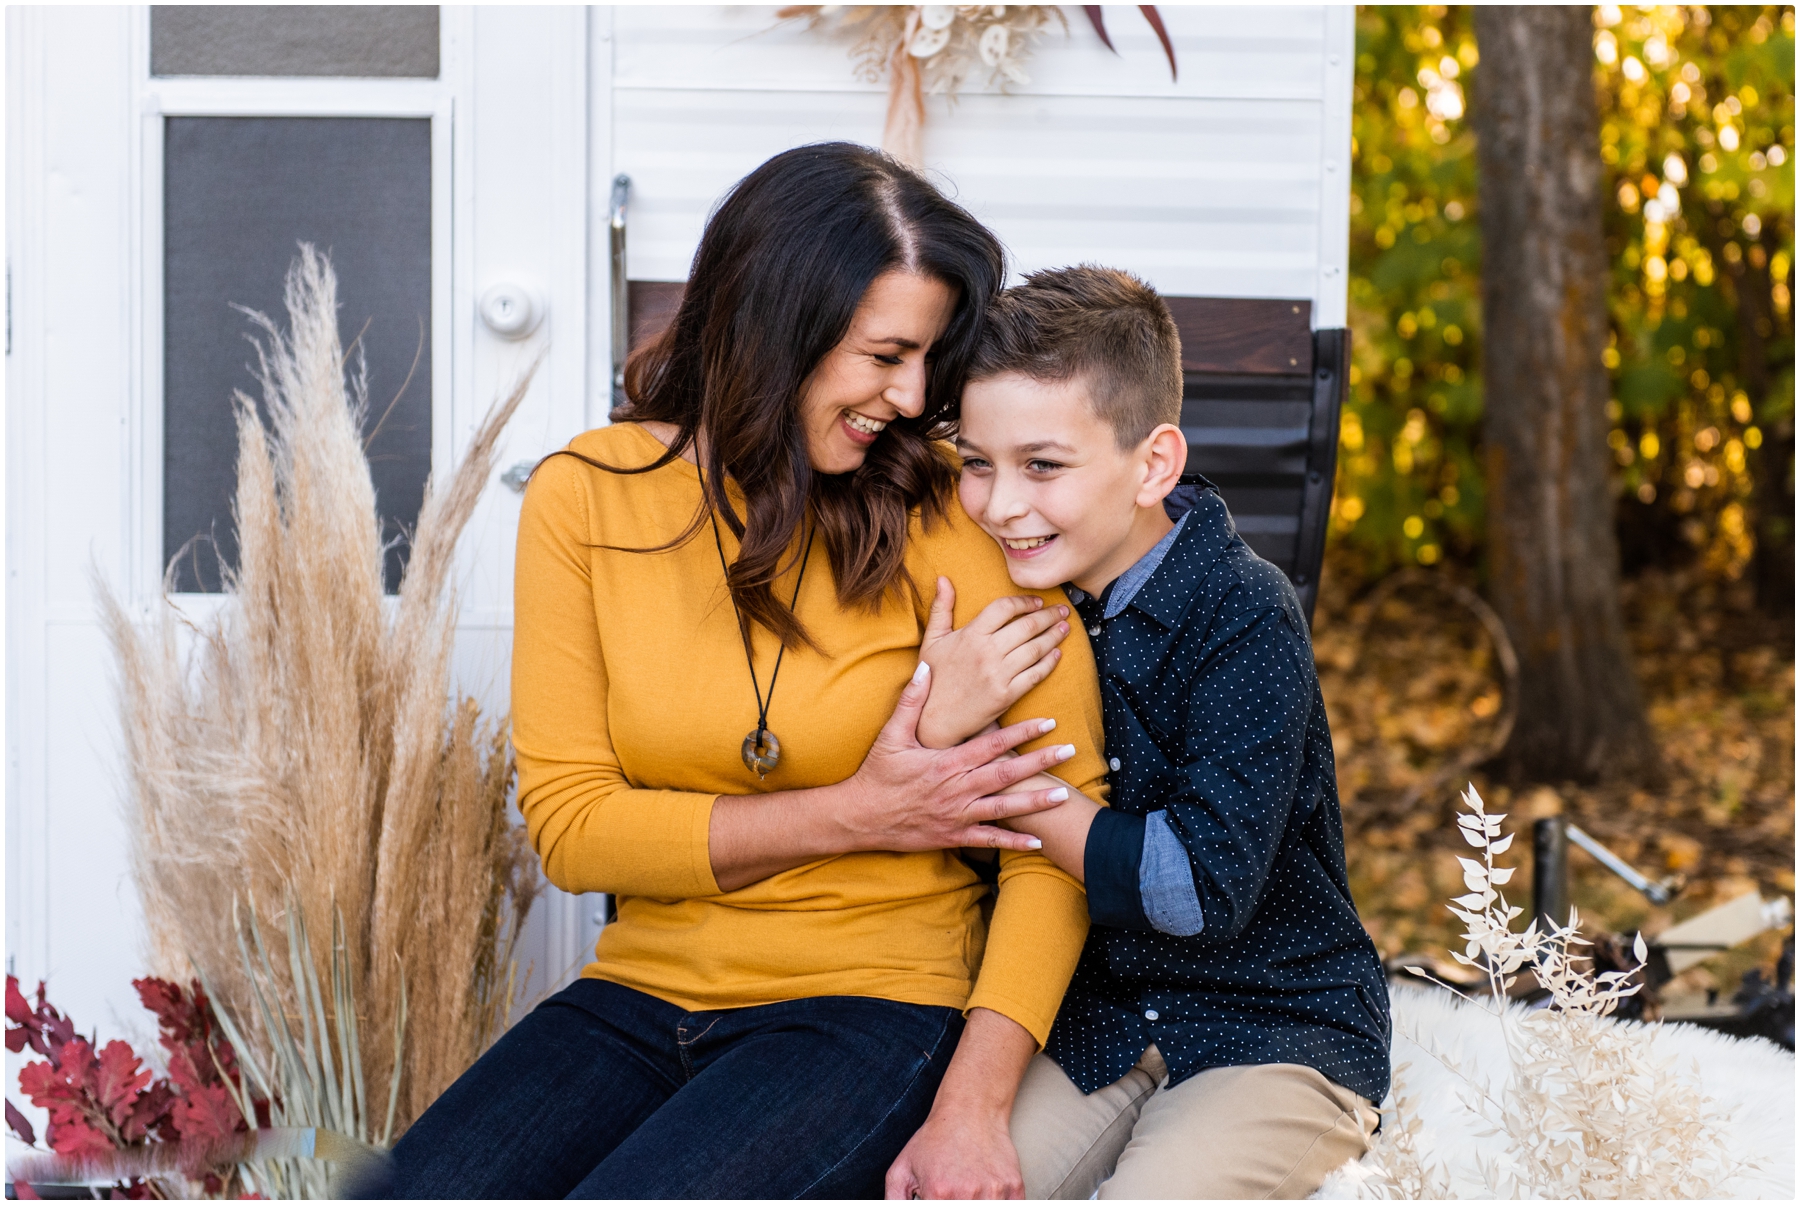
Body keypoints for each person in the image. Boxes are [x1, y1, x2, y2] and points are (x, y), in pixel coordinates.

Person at [380, 144, 1112, 1199]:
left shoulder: (959, 507)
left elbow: (1055, 840)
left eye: (927, 359)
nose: (911, 397)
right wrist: (859, 808)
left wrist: (971, 1106)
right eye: (884, 354)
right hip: (637, 989)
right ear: (778, 326)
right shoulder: (587, 497)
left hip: (872, 1000)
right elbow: (576, 828)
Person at [937, 265, 1392, 1199]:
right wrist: (940, 717)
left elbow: (1197, 888)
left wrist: (1014, 789)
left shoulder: (1244, 613)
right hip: (1099, 1018)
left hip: (1273, 1024)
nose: (998, 503)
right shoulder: (1017, 599)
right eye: (976, 462)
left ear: (1154, 465)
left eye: (1042, 465)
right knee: (961, 1180)